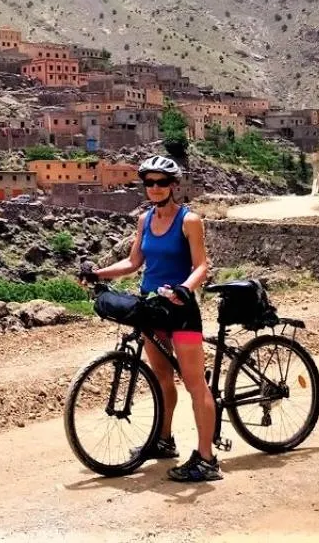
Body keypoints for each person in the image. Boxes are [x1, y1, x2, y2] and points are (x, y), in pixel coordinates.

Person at [79, 155, 221, 482]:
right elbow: (132, 263)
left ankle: (206, 458)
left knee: (194, 383)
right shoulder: (144, 220)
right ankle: (163, 440)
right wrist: (98, 273)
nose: (155, 188)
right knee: (161, 379)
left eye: (161, 182)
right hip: (152, 307)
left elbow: (202, 265)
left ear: (173, 186)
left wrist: (185, 288)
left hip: (181, 309)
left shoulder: (190, 221)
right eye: (149, 183)